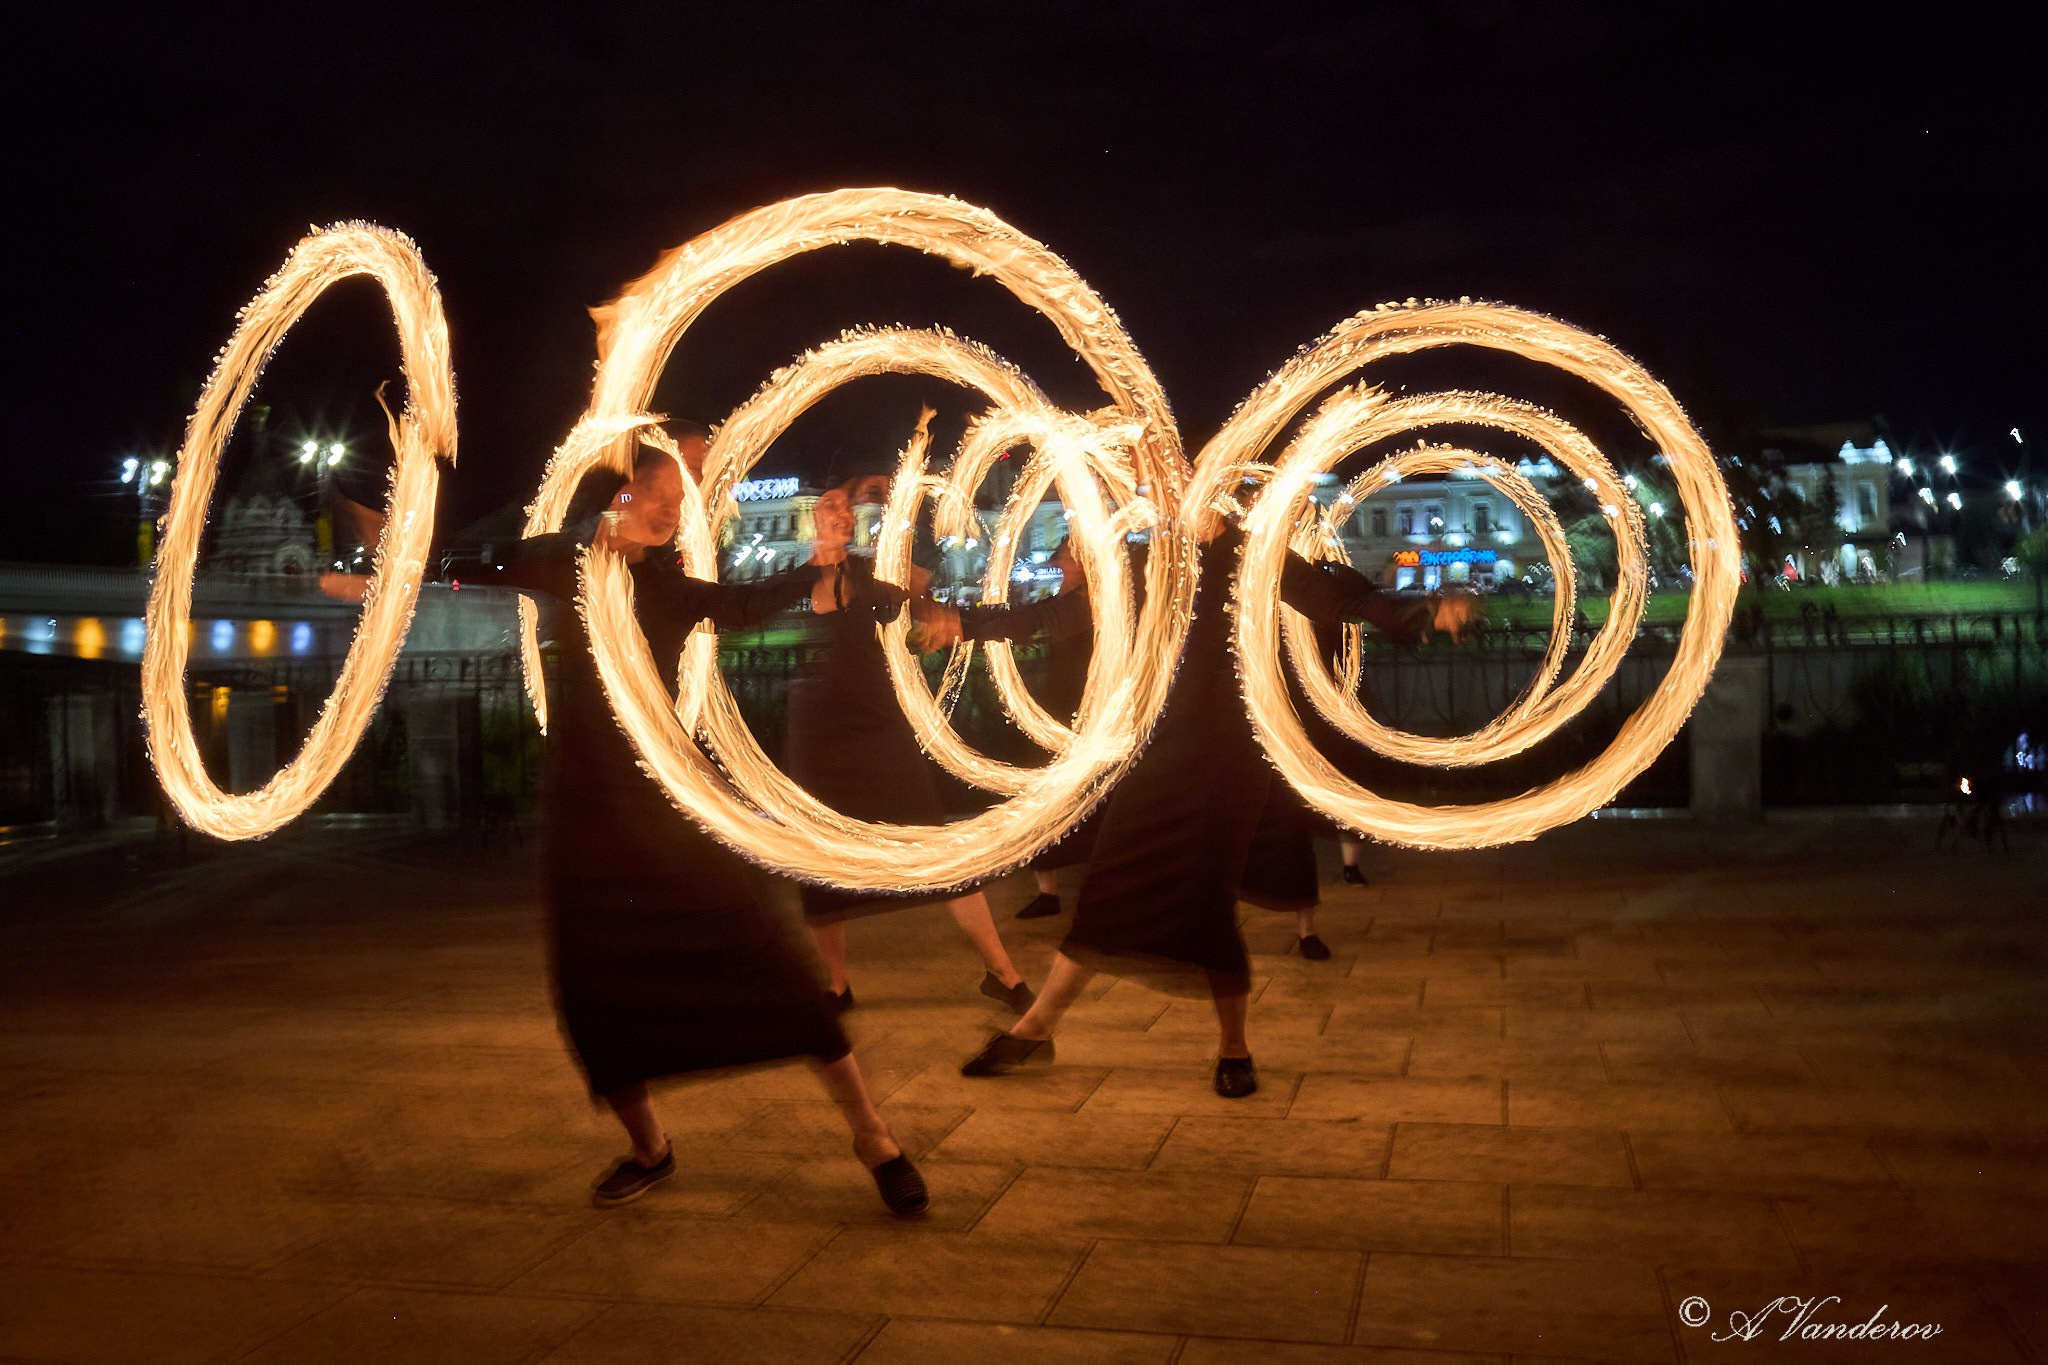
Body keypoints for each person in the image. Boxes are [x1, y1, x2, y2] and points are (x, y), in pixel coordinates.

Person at [327, 432, 927, 1214]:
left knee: (771, 964)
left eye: (681, 507)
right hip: (584, 812)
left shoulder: (670, 590)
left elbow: (740, 605)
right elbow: (461, 564)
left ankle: (873, 1135)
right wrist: (386, 563)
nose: (673, 516)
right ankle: (650, 1146)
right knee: (593, 987)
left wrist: (820, 558)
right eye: (660, 499)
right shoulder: (560, 563)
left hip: (660, 800)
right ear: (619, 495)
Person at [948, 515, 1475, 1098]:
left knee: (1206, 899)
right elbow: (1064, 613)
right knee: (1110, 890)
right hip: (1158, 755)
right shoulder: (1148, 562)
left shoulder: (1256, 553)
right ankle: (1037, 1028)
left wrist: (1420, 610)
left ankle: (1233, 1047)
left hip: (1232, 758)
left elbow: (1337, 596)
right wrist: (966, 621)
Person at [785, 464, 1035, 1014]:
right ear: (812, 517)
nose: (843, 515)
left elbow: (916, 601)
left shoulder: (871, 578)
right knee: (821, 863)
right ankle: (836, 984)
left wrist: (943, 615)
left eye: (848, 508)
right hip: (815, 735)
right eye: (832, 505)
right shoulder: (787, 582)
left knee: (934, 848)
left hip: (875, 729)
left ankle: (1004, 972)